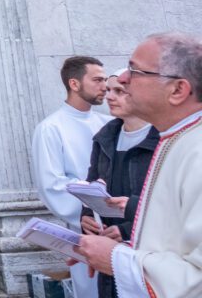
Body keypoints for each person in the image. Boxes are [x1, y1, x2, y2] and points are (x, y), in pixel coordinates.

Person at [75, 32, 202, 298]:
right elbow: (171, 240)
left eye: (135, 71)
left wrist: (116, 259)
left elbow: (196, 278)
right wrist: (109, 250)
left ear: (178, 90)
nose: (121, 78)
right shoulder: (175, 137)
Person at [32, 56, 109, 298]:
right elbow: (51, 184)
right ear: (74, 84)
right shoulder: (51, 128)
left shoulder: (109, 123)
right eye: (97, 80)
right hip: (86, 227)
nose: (105, 86)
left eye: (106, 80)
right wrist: (88, 211)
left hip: (119, 224)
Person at [79, 71, 158, 298]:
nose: (109, 96)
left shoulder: (160, 138)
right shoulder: (105, 137)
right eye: (109, 90)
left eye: (119, 91)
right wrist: (86, 216)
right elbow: (93, 183)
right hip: (108, 244)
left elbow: (166, 201)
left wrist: (125, 230)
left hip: (147, 248)